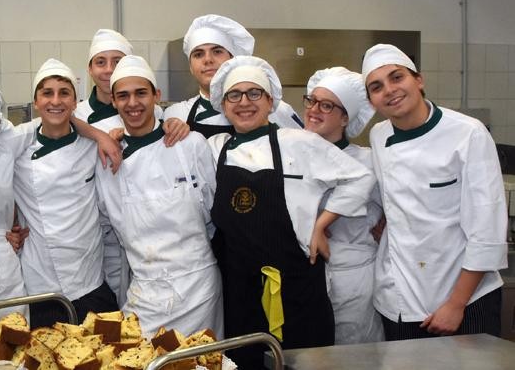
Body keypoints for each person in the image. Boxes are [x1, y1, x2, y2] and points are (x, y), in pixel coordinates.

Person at [205, 56, 374, 368]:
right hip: (240, 291)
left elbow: (360, 178)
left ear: (271, 102)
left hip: (297, 288)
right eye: (234, 95)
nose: (244, 102)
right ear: (223, 104)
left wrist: (321, 225)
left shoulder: (298, 142)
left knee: (305, 362)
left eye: (254, 93)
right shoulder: (214, 148)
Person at [363, 44, 508, 340]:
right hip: (399, 302)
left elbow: (488, 230)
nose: (389, 90)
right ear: (371, 101)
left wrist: (456, 304)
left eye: (397, 77)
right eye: (376, 87)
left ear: (419, 80)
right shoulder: (379, 136)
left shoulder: (468, 133)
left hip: (465, 299)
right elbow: (391, 196)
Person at [93, 55, 221, 336]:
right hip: (145, 293)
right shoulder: (107, 160)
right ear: (113, 102)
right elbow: (107, 229)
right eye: (123, 96)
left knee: (200, 365)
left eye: (141, 93)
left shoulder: (190, 144)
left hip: (199, 288)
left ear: (156, 96)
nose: (133, 103)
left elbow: (216, 215)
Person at [13, 59, 119, 328]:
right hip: (41, 286)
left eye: (64, 93)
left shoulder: (92, 146)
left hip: (91, 281)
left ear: (75, 102)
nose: (55, 101)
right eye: (47, 93)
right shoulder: (18, 144)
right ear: (35, 102)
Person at [302, 67, 384, 344]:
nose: (314, 110)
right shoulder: (292, 156)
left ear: (345, 117)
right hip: (306, 276)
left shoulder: (367, 160)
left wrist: (385, 224)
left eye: (326, 105)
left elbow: (401, 208)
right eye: (311, 101)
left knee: (355, 358)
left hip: (354, 279)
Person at [165, 14, 303, 137]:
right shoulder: (176, 115)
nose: (208, 60)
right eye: (198, 54)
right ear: (190, 67)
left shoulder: (272, 109)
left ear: (233, 60)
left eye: (217, 51)